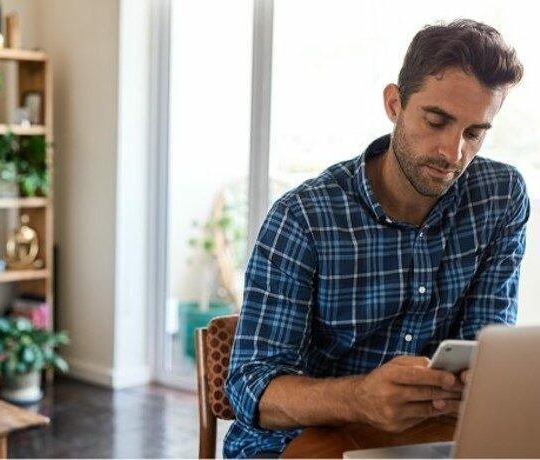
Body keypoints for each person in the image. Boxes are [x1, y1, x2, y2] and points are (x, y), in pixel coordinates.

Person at [223, 19, 529, 458]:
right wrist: (359, 399)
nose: (453, 153)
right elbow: (250, 389)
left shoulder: (501, 197)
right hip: (298, 442)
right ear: (394, 103)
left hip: (428, 438)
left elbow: (485, 348)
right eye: (436, 120)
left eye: (474, 133)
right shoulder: (304, 217)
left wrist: (480, 382)